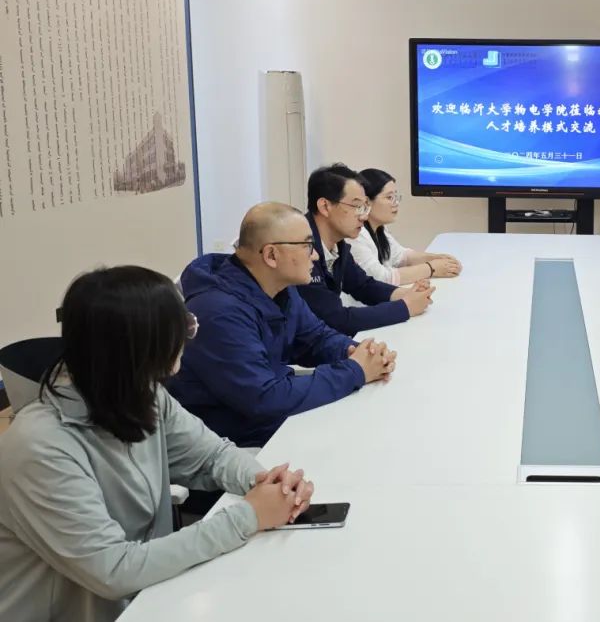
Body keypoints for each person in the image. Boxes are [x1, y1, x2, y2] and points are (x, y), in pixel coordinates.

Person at [0, 266, 316, 622]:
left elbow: (211, 456)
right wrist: (249, 515)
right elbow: (113, 569)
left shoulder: (144, 394)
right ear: (138, 348)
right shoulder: (39, 447)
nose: (187, 337)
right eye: (180, 328)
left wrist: (265, 484)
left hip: (150, 596)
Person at [168, 202, 396, 448]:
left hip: (271, 415)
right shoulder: (218, 312)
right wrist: (354, 370)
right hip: (235, 439)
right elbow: (264, 398)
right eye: (308, 246)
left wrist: (356, 352)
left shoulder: (279, 287)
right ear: (271, 255)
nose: (315, 255)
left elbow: (315, 338)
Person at [299, 164, 434, 331]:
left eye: (365, 207)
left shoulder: (337, 243)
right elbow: (336, 319)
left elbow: (363, 286)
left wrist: (406, 294)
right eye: (357, 207)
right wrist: (405, 307)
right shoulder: (301, 248)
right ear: (325, 206)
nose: (364, 216)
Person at [349, 168, 462, 285]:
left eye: (396, 197)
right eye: (389, 197)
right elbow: (381, 278)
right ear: (367, 201)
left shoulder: (379, 228)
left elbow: (402, 257)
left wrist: (436, 258)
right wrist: (431, 268)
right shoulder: (356, 234)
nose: (396, 203)